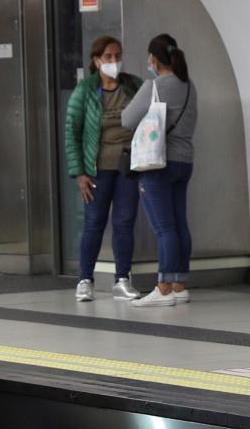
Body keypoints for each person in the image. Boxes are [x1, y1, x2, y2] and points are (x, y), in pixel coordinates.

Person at [64, 36, 145, 302]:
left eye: (117, 56)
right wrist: (79, 173)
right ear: (96, 60)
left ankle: (122, 279)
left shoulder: (133, 86)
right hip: (96, 168)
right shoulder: (85, 90)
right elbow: (72, 132)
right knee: (94, 223)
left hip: (127, 166)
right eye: (108, 57)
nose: (114, 61)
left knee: (124, 223)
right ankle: (85, 280)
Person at [122, 34, 197, 308]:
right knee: (179, 223)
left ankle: (163, 288)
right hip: (184, 161)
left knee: (164, 227)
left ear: (153, 59)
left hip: (157, 162)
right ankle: (180, 285)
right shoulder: (189, 86)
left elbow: (127, 119)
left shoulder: (153, 86)